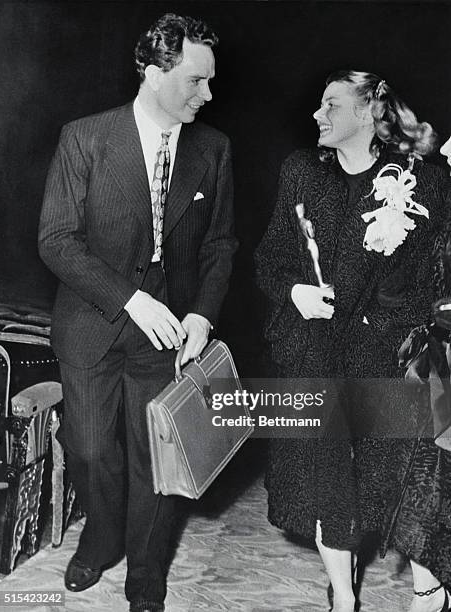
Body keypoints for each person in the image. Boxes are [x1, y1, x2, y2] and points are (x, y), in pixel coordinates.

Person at [38, 13, 236, 612]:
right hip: (93, 325)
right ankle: (100, 539)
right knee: (92, 451)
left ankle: (146, 570)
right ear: (154, 73)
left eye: (209, 80)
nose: (207, 93)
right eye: (194, 81)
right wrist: (129, 297)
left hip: (169, 338)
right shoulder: (86, 138)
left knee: (156, 459)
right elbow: (56, 238)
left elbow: (220, 246)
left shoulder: (214, 149)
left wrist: (202, 314)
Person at [255, 70, 451, 612]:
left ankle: (429, 587)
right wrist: (296, 292)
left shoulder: (423, 182)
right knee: (326, 483)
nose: (318, 116)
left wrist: (388, 327)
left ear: (368, 113)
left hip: (391, 359)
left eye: (331, 105)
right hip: (316, 353)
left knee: (407, 479)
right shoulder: (301, 173)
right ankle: (343, 597)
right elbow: (270, 260)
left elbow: (438, 283)